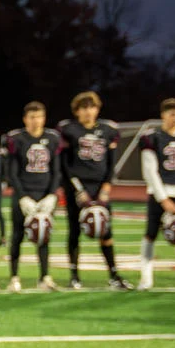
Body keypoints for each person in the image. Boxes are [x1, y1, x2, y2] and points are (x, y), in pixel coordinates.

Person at [57, 91, 130, 290]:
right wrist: (78, 189)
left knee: (106, 230)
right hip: (77, 187)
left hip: (99, 187)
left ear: (97, 109)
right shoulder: (69, 130)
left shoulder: (108, 130)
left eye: (92, 107)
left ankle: (114, 275)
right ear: (77, 111)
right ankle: (74, 275)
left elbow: (110, 163)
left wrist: (106, 188)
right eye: (84, 108)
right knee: (74, 231)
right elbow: (64, 164)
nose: (88, 112)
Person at [2, 102, 62, 292]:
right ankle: (14, 277)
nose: (36, 121)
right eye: (32, 117)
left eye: (39, 117)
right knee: (17, 236)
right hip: (24, 193)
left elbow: (56, 170)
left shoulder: (52, 138)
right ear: (25, 119)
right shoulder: (16, 139)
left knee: (44, 236)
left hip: (44, 194)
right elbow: (12, 172)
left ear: (44, 118)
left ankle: (44, 277)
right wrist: (22, 196)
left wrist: (52, 194)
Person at [137, 97, 175, 291]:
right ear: (163, 115)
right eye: (171, 114)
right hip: (160, 192)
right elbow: (149, 170)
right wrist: (163, 198)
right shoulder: (152, 137)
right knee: (150, 234)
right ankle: (146, 278)